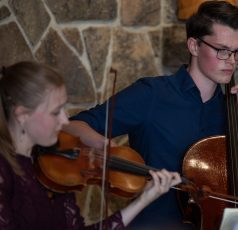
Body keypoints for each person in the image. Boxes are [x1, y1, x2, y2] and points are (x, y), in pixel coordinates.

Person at [64, 1, 238, 229]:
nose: (232, 62)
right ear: (194, 46)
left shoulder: (234, 107)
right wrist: (103, 144)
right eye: (222, 51)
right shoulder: (151, 94)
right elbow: (74, 125)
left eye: (237, 52)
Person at [0, 61, 182, 229]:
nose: (65, 120)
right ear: (22, 115)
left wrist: (143, 200)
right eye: (56, 112)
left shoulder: (56, 166)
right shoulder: (4, 171)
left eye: (64, 108)